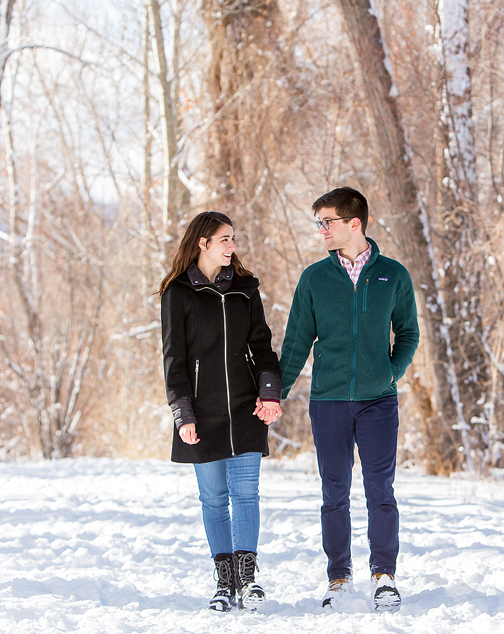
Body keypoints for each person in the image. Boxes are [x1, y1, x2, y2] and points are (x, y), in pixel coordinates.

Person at [275, 187, 419, 611]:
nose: (321, 229)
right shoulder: (315, 279)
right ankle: (338, 577)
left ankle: (384, 575)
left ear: (354, 223)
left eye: (327, 221)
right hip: (329, 402)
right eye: (319, 222)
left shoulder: (393, 275)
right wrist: (275, 395)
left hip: (379, 402)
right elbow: (297, 342)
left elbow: (408, 333)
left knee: (381, 489)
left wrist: (388, 372)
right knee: (333, 492)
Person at [158, 211, 283, 612]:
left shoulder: (246, 289)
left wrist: (270, 393)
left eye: (233, 238)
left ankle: (248, 581)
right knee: (213, 499)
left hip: (247, 407)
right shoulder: (177, 293)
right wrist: (182, 413)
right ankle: (224, 583)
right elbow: (173, 360)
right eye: (224, 239)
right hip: (202, 411)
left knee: (246, 493)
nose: (232, 245)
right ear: (203, 242)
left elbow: (262, 346)